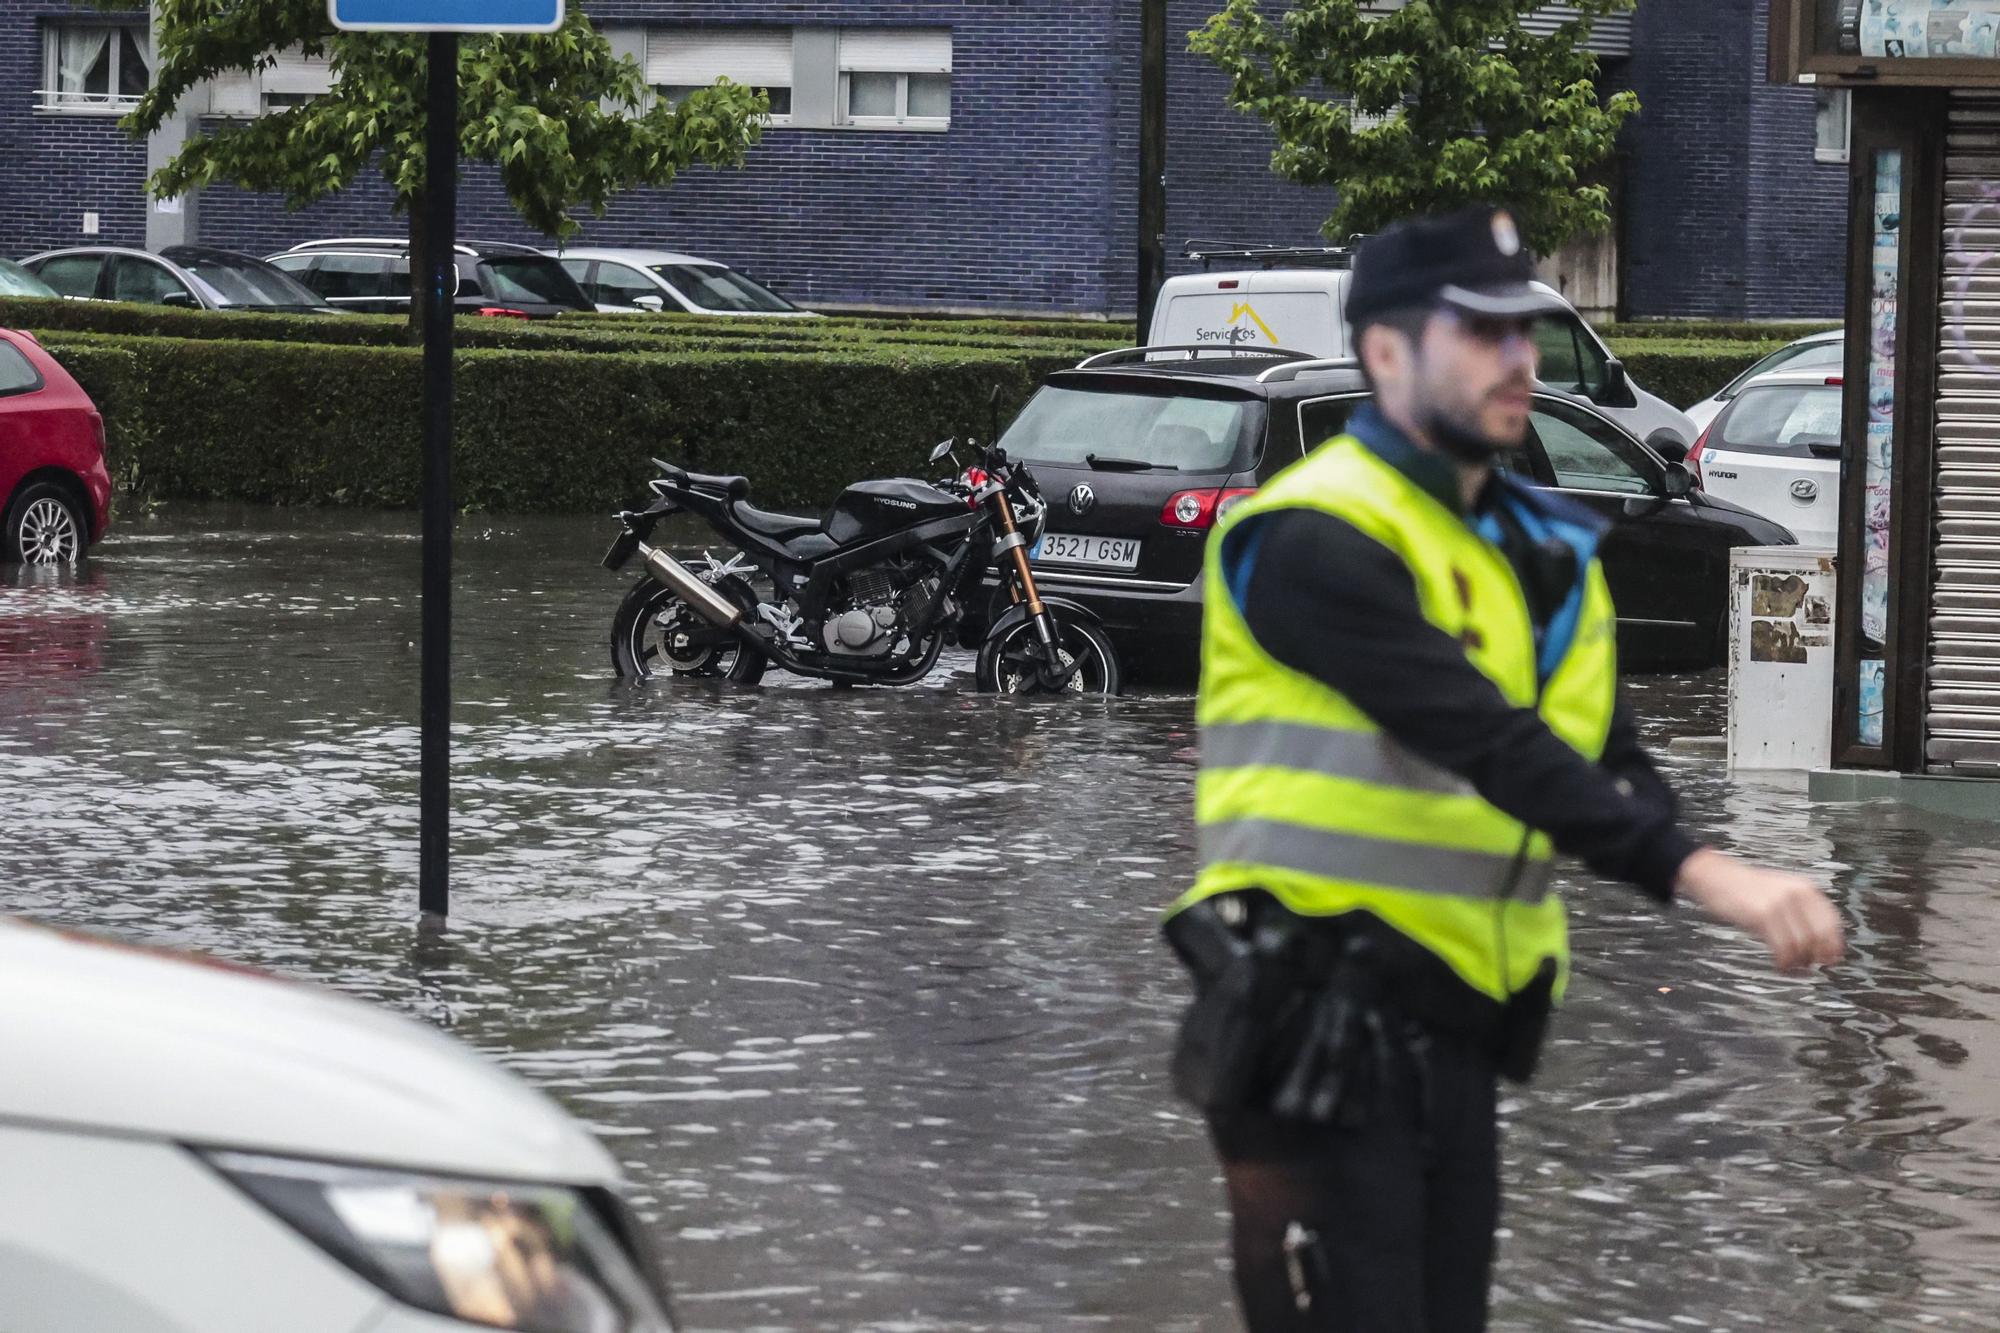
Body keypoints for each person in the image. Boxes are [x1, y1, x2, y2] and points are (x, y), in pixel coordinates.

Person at [1161, 206, 1846, 1333]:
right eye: (1478, 333)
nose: (1517, 358)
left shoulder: (1546, 556)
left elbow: (1610, 775)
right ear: (1385, 351)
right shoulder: (1307, 537)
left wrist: (1684, 850)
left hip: (1463, 1025)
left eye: (1523, 330)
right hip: (1311, 1017)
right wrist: (1712, 876)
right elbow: (1483, 740)